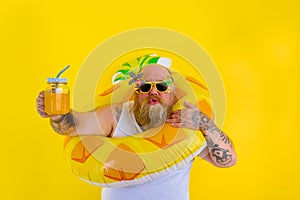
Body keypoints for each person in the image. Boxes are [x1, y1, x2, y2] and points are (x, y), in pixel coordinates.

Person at [36, 62, 237, 200]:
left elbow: (228, 161)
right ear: (135, 91)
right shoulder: (116, 115)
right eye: (145, 87)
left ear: (173, 92)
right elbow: (73, 124)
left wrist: (204, 123)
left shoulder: (185, 121)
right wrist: (56, 115)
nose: (154, 92)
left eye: (161, 86)